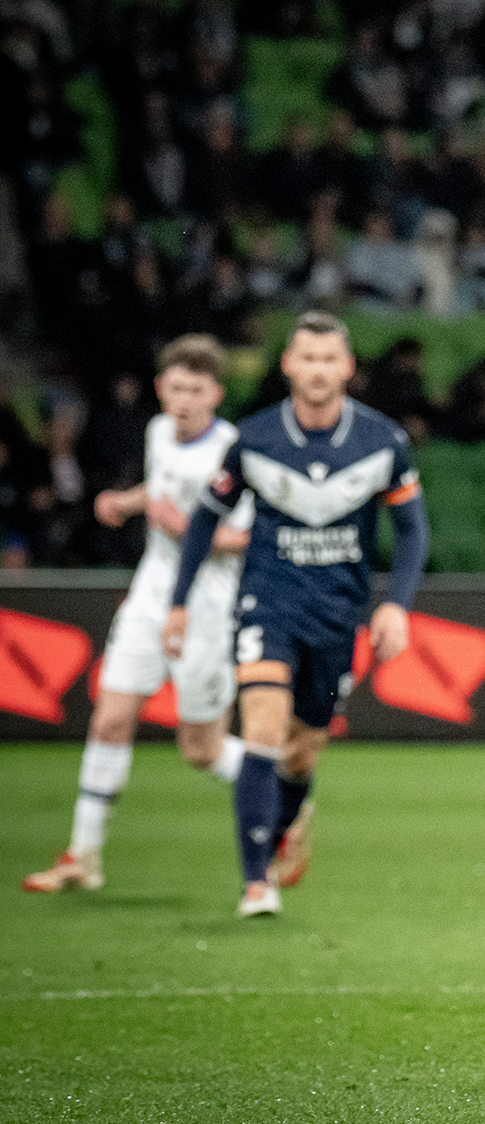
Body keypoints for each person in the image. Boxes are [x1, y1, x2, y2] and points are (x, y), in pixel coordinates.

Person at [162, 312, 430, 919]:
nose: (317, 370)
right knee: (262, 726)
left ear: (347, 367)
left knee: (302, 751)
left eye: (328, 359)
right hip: (268, 601)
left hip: (337, 612)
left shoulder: (383, 442)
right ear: (288, 365)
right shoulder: (255, 438)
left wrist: (396, 606)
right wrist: (178, 602)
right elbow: (205, 519)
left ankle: (288, 819)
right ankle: (256, 882)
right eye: (307, 358)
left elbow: (412, 531)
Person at [23, 337, 255, 895]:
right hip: (150, 596)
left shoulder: (233, 453)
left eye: (196, 390)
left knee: (201, 750)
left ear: (216, 394)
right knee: (109, 720)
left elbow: (247, 538)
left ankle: (283, 785)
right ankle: (83, 855)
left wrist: (185, 530)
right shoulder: (157, 432)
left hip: (205, 607)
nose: (184, 400)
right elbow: (164, 489)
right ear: (160, 389)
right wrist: (125, 502)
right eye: (176, 388)